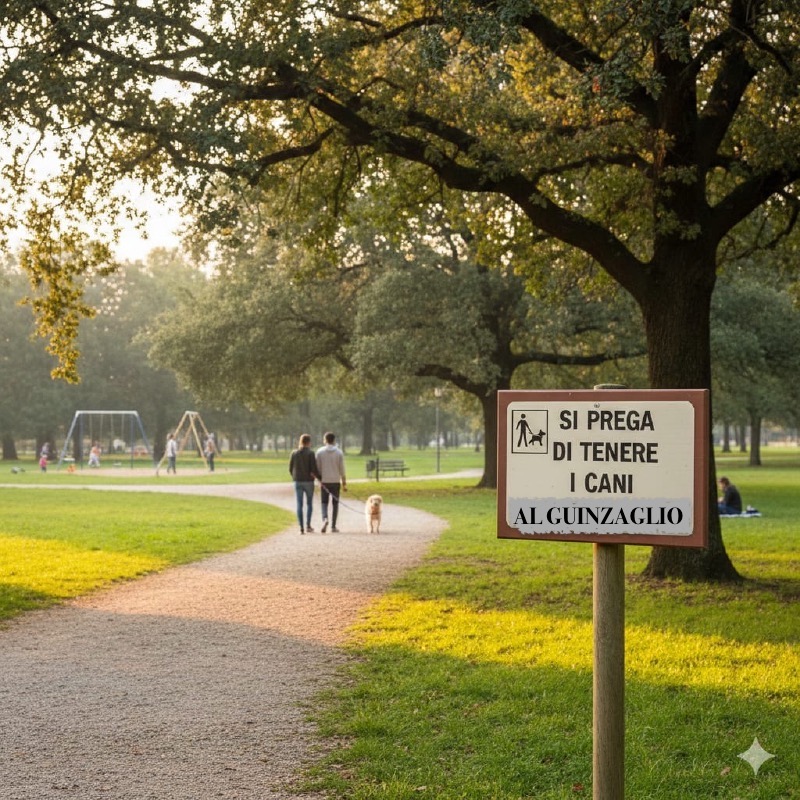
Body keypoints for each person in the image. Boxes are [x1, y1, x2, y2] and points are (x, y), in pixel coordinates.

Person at [316, 432, 347, 533]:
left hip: (324, 481)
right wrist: (344, 483)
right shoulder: (339, 452)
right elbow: (342, 469)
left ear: (325, 440)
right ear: (333, 440)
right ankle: (333, 526)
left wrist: (318, 480)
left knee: (324, 502)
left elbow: (318, 468)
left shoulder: (319, 452)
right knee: (335, 503)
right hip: (335, 481)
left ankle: (325, 519)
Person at [289, 434, 319, 534]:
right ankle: (308, 525)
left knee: (299, 504)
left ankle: (301, 527)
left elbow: (290, 468)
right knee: (309, 504)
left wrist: (295, 477)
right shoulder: (311, 453)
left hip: (298, 481)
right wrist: (319, 478)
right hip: (309, 482)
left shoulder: (294, 453)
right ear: (309, 442)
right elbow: (314, 469)